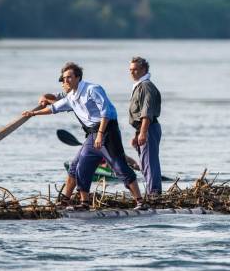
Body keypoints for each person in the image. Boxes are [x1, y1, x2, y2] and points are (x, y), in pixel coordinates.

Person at [24, 62, 144, 209]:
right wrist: (33, 113)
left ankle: (140, 202)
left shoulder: (92, 89)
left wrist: (100, 134)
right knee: (79, 167)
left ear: (77, 77)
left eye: (69, 77)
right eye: (64, 78)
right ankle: (84, 203)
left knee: (119, 167)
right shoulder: (71, 96)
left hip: (107, 131)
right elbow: (54, 108)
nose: (65, 81)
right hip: (91, 136)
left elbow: (106, 112)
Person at [128, 56, 162, 196]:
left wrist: (143, 133)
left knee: (149, 162)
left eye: (135, 69)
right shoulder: (139, 86)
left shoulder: (146, 86)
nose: (132, 72)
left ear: (144, 70)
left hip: (149, 128)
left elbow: (147, 113)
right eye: (130, 70)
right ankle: (151, 191)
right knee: (145, 162)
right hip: (144, 128)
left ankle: (154, 194)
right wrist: (138, 134)